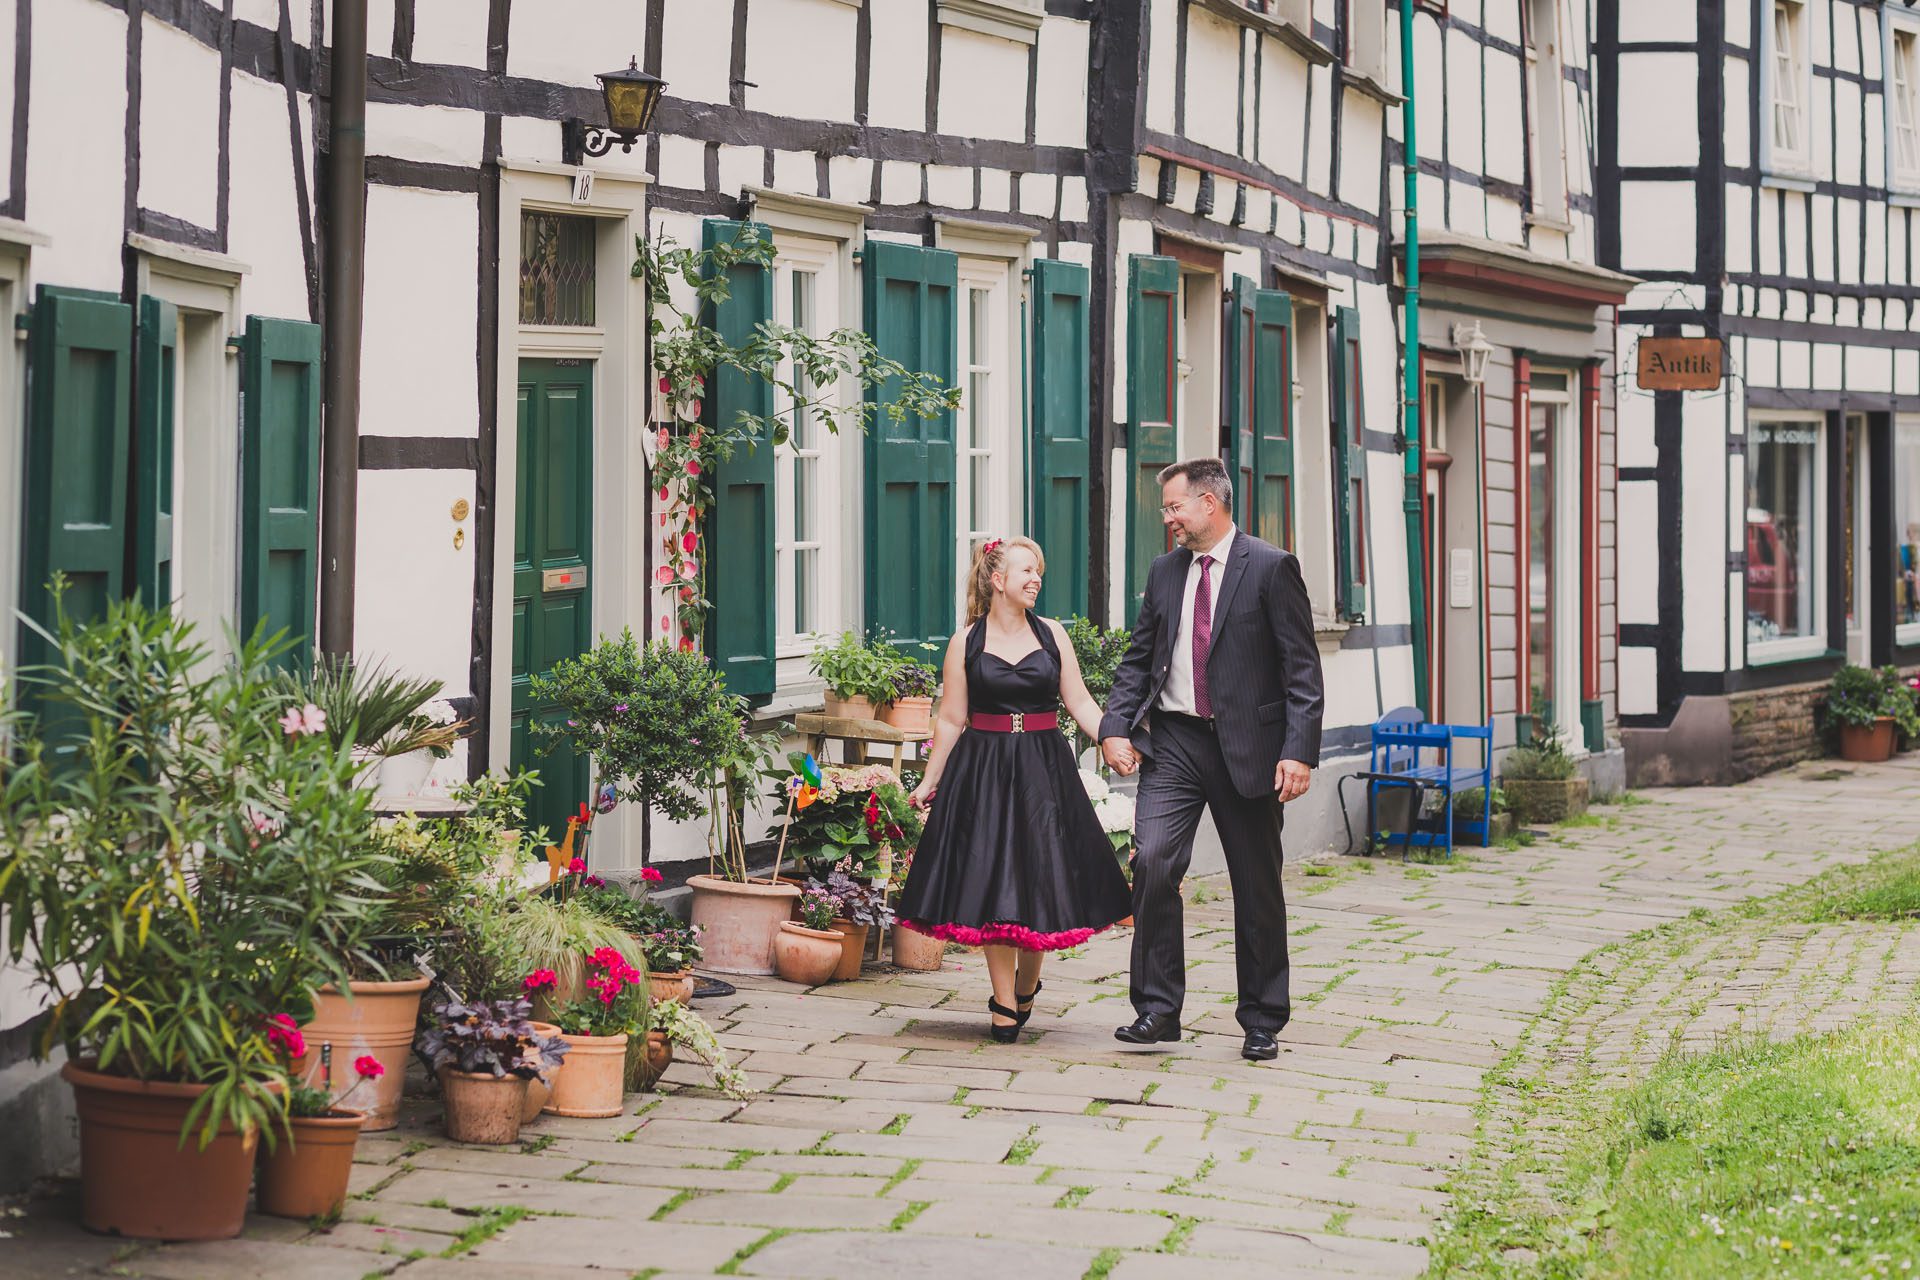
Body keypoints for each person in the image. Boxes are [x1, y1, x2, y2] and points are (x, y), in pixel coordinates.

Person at [1099, 458, 1324, 1061]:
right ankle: (1156, 1010)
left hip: (1247, 748)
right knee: (1152, 862)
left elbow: (1302, 671)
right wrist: (1113, 727)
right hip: (1174, 742)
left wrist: (1298, 751)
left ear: (1209, 503)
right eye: (1166, 509)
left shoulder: (1272, 569)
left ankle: (1261, 1018)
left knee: (1256, 886)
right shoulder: (1165, 572)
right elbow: (1138, 659)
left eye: (1174, 506)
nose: (1168, 519)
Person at [898, 536, 1133, 1043]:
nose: (1036, 579)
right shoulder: (967, 641)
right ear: (998, 579)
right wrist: (930, 778)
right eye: (1027, 570)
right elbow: (952, 717)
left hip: (1044, 769)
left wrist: (1113, 740)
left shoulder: (1052, 636)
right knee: (993, 879)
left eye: (1040, 571)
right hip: (983, 769)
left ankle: (1028, 985)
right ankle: (1003, 1000)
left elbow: (1080, 701)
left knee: (1039, 877)